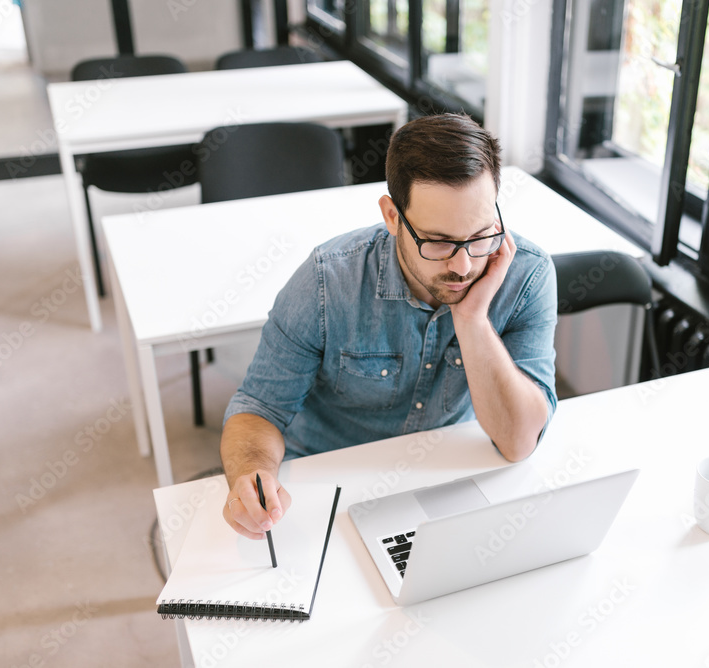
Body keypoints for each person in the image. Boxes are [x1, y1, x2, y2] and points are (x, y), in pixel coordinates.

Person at [221, 113, 558, 539]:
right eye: (437, 241)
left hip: (447, 477)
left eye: (479, 235)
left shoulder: (526, 275)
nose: (464, 265)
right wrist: (253, 474)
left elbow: (518, 443)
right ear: (393, 216)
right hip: (331, 484)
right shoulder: (327, 281)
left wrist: (471, 319)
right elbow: (258, 408)